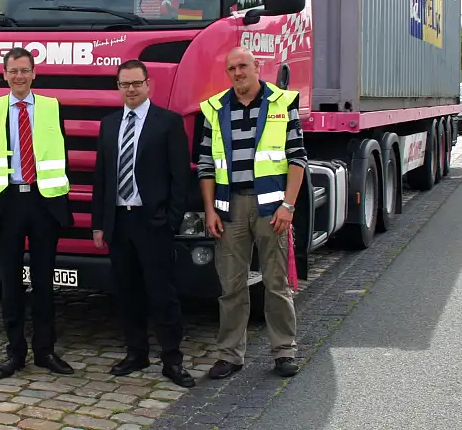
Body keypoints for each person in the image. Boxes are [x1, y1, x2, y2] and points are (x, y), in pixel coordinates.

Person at [198, 47, 308, 379]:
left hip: (271, 208)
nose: (237, 72)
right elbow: (205, 165)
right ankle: (230, 355)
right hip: (229, 209)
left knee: (276, 283)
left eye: (243, 65)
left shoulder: (282, 103)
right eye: (231, 68)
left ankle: (284, 351)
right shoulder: (215, 109)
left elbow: (297, 158)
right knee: (231, 285)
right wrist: (209, 211)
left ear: (257, 66)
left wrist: (288, 205)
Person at [0, 47, 75, 379]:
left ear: (34, 73)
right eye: (13, 70)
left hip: (44, 204)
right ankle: (15, 352)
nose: (19, 76)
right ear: (4, 74)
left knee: (44, 282)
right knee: (11, 283)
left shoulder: (51, 107)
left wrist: (61, 203)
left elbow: (61, 155)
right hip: (7, 203)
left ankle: (45, 351)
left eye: (24, 70)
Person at [91, 59, 195, 388]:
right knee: (127, 291)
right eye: (125, 84)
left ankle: (172, 359)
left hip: (154, 222)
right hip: (119, 222)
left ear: (148, 84)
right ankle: (136, 353)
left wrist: (171, 221)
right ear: (118, 88)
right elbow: (102, 178)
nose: (131, 89)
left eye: (137, 83)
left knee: (162, 293)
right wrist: (98, 223)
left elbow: (181, 178)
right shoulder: (109, 125)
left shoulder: (168, 122)